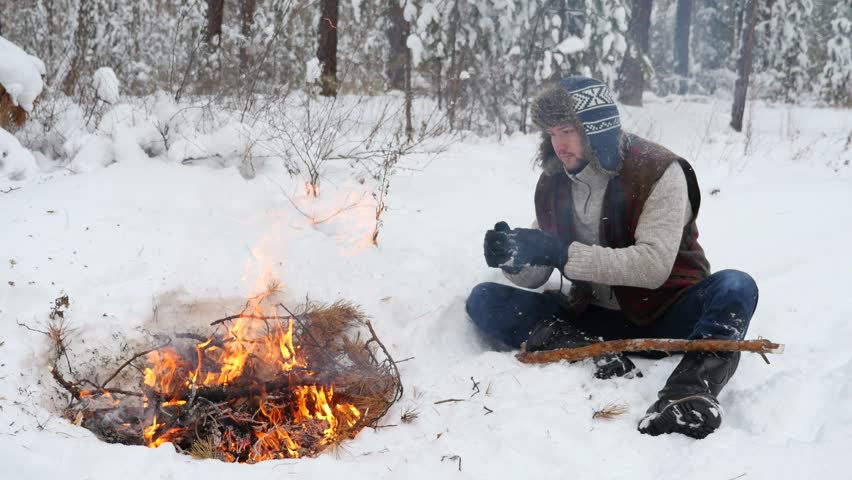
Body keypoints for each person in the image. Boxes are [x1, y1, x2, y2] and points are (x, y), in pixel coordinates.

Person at [465, 76, 759, 439]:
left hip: (667, 311)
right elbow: (537, 273)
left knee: (737, 286)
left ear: (596, 130)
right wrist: (513, 256)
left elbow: (652, 267)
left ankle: (688, 392)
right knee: (484, 298)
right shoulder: (555, 181)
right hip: (594, 320)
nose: (559, 145)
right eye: (552, 133)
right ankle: (588, 351)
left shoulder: (657, 171)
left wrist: (562, 253)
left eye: (569, 131)